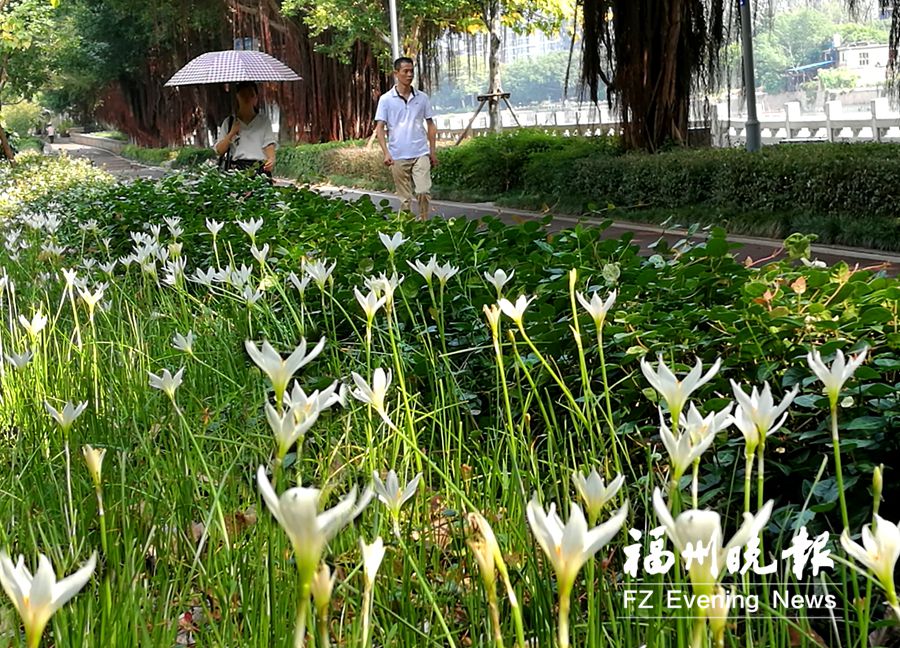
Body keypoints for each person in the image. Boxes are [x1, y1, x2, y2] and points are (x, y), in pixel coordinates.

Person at [375, 57, 438, 220]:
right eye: (405, 71)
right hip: (397, 155)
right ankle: (408, 229)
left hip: (420, 152)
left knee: (423, 191)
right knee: (405, 199)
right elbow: (379, 128)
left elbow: (430, 124)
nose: (409, 75)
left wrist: (432, 151)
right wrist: (386, 152)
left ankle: (424, 223)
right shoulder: (386, 99)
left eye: (412, 71)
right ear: (396, 73)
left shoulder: (422, 97)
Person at [213, 81, 276, 179]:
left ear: (256, 98)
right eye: (243, 94)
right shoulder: (229, 122)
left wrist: (271, 158)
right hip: (237, 170)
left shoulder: (263, 121)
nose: (247, 98)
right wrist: (231, 133)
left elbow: (268, 144)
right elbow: (219, 151)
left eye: (251, 94)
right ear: (237, 97)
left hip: (260, 168)